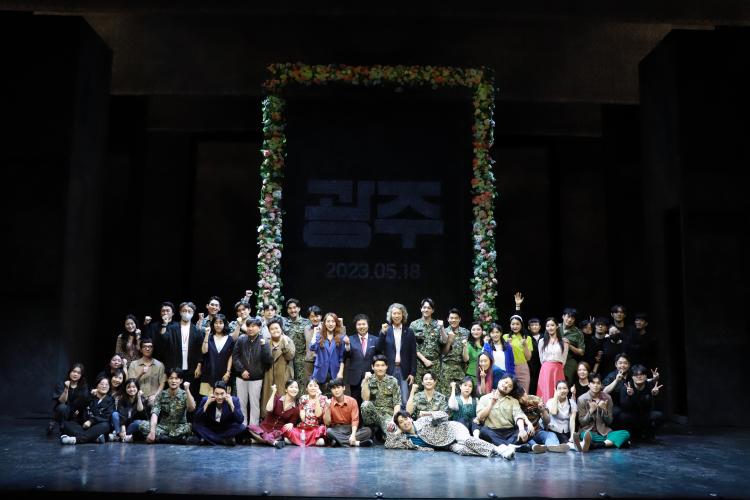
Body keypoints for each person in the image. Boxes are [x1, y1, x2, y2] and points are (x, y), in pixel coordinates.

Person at [386, 410, 505, 458]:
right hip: (447, 445)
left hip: (452, 429)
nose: (405, 423)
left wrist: (428, 413)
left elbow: (444, 415)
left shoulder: (422, 421)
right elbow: (388, 444)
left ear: (411, 418)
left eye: (406, 419)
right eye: (401, 422)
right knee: (462, 450)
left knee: (467, 440)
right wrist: (398, 431)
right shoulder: (407, 440)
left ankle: (499, 449)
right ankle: (493, 452)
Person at [139, 368, 197, 444]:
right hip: (163, 427)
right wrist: (152, 432)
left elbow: (192, 408)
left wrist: (187, 390)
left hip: (179, 427)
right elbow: (155, 413)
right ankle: (172, 439)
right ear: (167, 379)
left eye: (176, 378)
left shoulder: (185, 394)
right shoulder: (161, 395)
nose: (173, 381)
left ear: (181, 381)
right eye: (171, 378)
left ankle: (162, 438)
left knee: (188, 427)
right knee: (143, 425)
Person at [232, 317, 272, 426]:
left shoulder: (264, 341)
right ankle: (242, 425)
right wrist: (242, 370)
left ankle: (253, 427)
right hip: (241, 377)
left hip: (256, 378)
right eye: (248, 326)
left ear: (259, 328)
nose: (250, 328)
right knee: (241, 403)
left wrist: (264, 346)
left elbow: (268, 361)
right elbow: (235, 357)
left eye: (253, 326)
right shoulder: (241, 339)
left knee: (255, 404)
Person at [576, 373, 631, 451]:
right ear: (589, 384)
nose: (595, 385)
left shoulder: (607, 398)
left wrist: (604, 410)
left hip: (605, 433)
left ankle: (595, 445)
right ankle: (615, 443)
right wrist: (591, 411)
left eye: (598, 383)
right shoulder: (581, 399)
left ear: (601, 385)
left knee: (625, 433)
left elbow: (609, 422)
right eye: (593, 383)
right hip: (589, 431)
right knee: (585, 435)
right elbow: (582, 422)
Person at [376, 303, 417, 408]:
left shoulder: (409, 332)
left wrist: (412, 373)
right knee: (389, 398)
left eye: (399, 313)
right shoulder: (386, 330)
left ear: (403, 315)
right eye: (394, 313)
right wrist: (382, 333)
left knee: (404, 399)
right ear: (391, 315)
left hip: (404, 370)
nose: (396, 316)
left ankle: (404, 418)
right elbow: (378, 349)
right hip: (390, 368)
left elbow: (413, 353)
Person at [161, 302, 203, 401]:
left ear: (193, 313)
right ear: (180, 312)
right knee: (174, 396)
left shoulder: (196, 329)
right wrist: (165, 325)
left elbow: (200, 350)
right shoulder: (172, 328)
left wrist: (199, 366)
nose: (186, 313)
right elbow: (163, 340)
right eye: (184, 311)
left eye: (189, 311)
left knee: (190, 395)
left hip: (192, 368)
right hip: (175, 367)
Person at [475, 375, 525, 457]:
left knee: (527, 430)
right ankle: (512, 446)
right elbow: (480, 417)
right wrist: (491, 403)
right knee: (483, 431)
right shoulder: (485, 398)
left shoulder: (513, 401)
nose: (506, 386)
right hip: (492, 431)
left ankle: (504, 446)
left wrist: (522, 430)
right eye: (505, 382)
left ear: (511, 390)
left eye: (510, 386)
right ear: (499, 381)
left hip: (509, 432)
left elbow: (518, 415)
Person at [60, 376, 115, 445]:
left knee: (106, 425)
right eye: (101, 384)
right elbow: (77, 405)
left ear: (109, 387)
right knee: (67, 424)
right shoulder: (91, 397)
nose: (104, 386)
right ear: (97, 386)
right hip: (85, 426)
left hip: (98, 426)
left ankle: (76, 440)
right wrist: (90, 395)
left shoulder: (110, 400)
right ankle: (94, 438)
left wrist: (91, 421)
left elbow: (106, 417)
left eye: (107, 385)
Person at [617, 364, 664, 442]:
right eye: (636, 375)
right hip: (631, 415)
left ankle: (649, 434)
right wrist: (630, 396)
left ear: (646, 376)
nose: (639, 376)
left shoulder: (651, 386)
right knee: (622, 416)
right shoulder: (627, 387)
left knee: (659, 415)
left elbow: (656, 406)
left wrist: (655, 395)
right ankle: (630, 435)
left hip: (645, 415)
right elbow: (624, 407)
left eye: (642, 374)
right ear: (632, 377)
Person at [247, 380, 299, 449]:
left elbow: (292, 422)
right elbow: (268, 409)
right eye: (291, 387)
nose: (294, 389)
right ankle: (273, 442)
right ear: (286, 389)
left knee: (277, 436)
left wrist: (291, 424)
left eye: (296, 387)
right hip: (264, 427)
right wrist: (273, 392)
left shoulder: (296, 408)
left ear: (298, 390)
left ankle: (258, 441)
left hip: (277, 432)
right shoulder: (277, 398)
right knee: (250, 428)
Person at [516, 386, 568, 453]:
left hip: (538, 431)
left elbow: (547, 421)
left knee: (551, 435)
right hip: (525, 433)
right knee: (523, 438)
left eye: (523, 395)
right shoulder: (515, 404)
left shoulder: (535, 400)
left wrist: (543, 410)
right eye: (520, 397)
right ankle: (535, 446)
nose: (523, 399)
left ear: (525, 392)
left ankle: (552, 446)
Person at [261, 319, 295, 417]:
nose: (275, 330)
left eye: (277, 328)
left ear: (281, 328)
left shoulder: (288, 340)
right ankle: (267, 418)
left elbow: (290, 356)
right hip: (269, 374)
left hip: (283, 373)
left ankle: (282, 418)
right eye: (272, 329)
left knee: (282, 396)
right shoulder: (266, 342)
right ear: (269, 331)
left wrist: (285, 345)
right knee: (268, 396)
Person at [409, 298, 448, 387]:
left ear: (432, 310)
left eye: (429, 308)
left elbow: (445, 341)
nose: (426, 310)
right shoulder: (414, 325)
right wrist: (424, 360)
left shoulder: (437, 324)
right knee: (418, 389)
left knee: (434, 389)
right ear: (421, 309)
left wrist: (442, 328)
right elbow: (411, 346)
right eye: (424, 307)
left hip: (435, 364)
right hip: (419, 363)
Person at [193, 381, 246, 445]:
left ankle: (210, 439)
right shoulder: (205, 400)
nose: (219, 397)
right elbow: (197, 419)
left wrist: (231, 404)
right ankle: (222, 440)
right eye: (216, 394)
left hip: (226, 429)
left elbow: (240, 420)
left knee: (242, 427)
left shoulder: (234, 400)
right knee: (195, 426)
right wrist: (206, 404)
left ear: (226, 393)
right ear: (213, 393)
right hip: (211, 428)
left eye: (222, 394)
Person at [324, 378, 373, 447]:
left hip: (350, 428)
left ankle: (340, 442)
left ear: (343, 388)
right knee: (329, 431)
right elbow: (327, 423)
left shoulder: (352, 401)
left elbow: (355, 420)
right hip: (337, 429)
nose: (336, 390)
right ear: (331, 390)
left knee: (368, 431)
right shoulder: (328, 402)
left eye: (338, 387)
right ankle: (355, 443)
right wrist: (327, 407)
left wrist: (353, 435)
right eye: (333, 388)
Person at [361, 355, 402, 436]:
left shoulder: (393, 381)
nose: (380, 368)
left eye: (383, 365)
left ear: (386, 366)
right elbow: (365, 399)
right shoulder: (368, 380)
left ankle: (381, 433)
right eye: (377, 365)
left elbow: (397, 404)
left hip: (387, 415)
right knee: (365, 405)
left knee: (392, 435)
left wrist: (393, 420)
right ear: (372, 367)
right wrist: (365, 380)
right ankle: (371, 430)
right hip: (373, 414)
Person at [344, 314, 379, 406]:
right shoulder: (350, 339)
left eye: (364, 324)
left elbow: (379, 357)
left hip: (371, 376)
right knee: (356, 402)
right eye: (359, 324)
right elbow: (346, 356)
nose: (361, 326)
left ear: (368, 325)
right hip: (355, 377)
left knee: (370, 402)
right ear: (356, 326)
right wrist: (347, 345)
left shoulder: (375, 339)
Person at [309, 312, 346, 394]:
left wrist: (340, 372)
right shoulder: (319, 336)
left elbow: (342, 358)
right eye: (328, 321)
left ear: (336, 323)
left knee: (334, 396)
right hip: (320, 371)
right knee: (319, 397)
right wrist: (315, 333)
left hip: (335, 371)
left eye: (333, 321)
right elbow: (312, 347)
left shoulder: (340, 337)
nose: (330, 324)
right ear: (324, 323)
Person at [285, 379, 328, 446]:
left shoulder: (323, 398)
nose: (313, 388)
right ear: (306, 389)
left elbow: (318, 414)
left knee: (321, 432)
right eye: (310, 386)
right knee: (286, 429)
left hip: (316, 428)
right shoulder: (303, 398)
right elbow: (303, 419)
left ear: (318, 388)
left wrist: (317, 398)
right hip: (303, 427)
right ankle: (309, 441)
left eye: (315, 386)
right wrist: (302, 408)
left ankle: (298, 441)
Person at [50, 362, 89, 435]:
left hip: (77, 412)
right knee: (62, 407)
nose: (75, 374)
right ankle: (62, 427)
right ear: (70, 372)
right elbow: (62, 401)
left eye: (78, 373)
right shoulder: (61, 383)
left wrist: (79, 409)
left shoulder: (83, 386)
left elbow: (85, 400)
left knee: (84, 412)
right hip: (64, 411)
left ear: (81, 375)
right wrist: (66, 388)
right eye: (74, 371)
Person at [200, 313, 235, 394]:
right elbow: (204, 351)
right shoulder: (209, 337)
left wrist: (228, 372)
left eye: (220, 323)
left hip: (224, 373)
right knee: (208, 398)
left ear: (224, 324)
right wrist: (207, 335)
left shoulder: (230, 339)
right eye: (216, 323)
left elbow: (231, 356)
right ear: (213, 324)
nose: (218, 325)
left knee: (223, 398)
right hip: (209, 373)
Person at [536, 317, 570, 401]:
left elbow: (564, 359)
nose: (550, 328)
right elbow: (541, 358)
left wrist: (557, 367)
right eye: (547, 326)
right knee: (545, 391)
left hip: (558, 369)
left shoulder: (564, 342)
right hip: (545, 369)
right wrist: (547, 366)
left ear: (557, 326)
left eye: (552, 325)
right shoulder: (542, 341)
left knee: (558, 391)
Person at [438, 308, 469, 397]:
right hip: (446, 368)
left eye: (456, 318)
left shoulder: (466, 332)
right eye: (451, 318)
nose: (453, 320)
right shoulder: (443, 331)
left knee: (460, 396)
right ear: (448, 319)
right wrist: (449, 341)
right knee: (446, 396)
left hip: (461, 368)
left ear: (460, 319)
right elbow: (443, 352)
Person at [127, 337, 166, 405]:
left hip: (153, 398)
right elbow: (131, 383)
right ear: (141, 349)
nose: (147, 349)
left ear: (153, 349)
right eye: (144, 347)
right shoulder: (133, 364)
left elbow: (162, 383)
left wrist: (155, 395)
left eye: (150, 347)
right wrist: (141, 374)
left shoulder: (159, 365)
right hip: (137, 397)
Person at [546, 379, 582, 451]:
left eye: (565, 388)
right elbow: (554, 412)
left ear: (568, 390)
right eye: (559, 388)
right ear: (556, 390)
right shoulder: (550, 401)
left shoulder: (572, 403)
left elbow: (572, 420)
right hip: (553, 430)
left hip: (566, 432)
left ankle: (578, 445)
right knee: (558, 440)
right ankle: (577, 446)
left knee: (568, 441)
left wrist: (572, 435)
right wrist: (555, 395)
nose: (562, 391)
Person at [283, 298, 312, 389]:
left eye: (294, 307)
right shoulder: (284, 323)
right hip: (287, 360)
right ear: (287, 310)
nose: (292, 310)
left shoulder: (307, 323)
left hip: (302, 360)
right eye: (290, 308)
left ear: (299, 308)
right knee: (288, 384)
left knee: (302, 385)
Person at [503, 315, 533, 393]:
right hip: (509, 367)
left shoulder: (527, 338)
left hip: (523, 368)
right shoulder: (505, 337)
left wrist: (525, 345)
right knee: (509, 392)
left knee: (523, 392)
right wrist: (508, 345)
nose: (515, 326)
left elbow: (528, 358)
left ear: (521, 325)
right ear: (510, 325)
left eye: (517, 324)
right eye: (513, 324)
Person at [117, 378, 150, 442]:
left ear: (138, 388)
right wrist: (123, 428)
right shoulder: (122, 400)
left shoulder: (143, 400)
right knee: (115, 415)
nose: (131, 389)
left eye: (134, 387)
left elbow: (141, 412)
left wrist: (139, 397)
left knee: (137, 423)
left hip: (136, 426)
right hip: (124, 427)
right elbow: (121, 415)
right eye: (128, 387)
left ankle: (122, 438)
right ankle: (122, 436)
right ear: (125, 389)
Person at [560, 308, 585, 386]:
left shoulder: (578, 333)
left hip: (569, 363)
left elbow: (581, 352)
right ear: (563, 316)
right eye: (568, 317)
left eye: (572, 318)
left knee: (567, 385)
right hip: (554, 360)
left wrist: (569, 346)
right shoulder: (555, 327)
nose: (570, 320)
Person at [302, 305, 323, 388]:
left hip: (322, 361)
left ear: (321, 316)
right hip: (309, 361)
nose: (315, 319)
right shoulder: (306, 329)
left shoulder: (326, 328)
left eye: (317, 316)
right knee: (309, 385)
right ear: (309, 318)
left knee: (322, 386)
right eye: (312, 316)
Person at [527, 317, 543, 395]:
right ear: (529, 327)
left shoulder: (544, 337)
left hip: (542, 365)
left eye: (536, 325)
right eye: (532, 325)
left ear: (540, 327)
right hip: (531, 366)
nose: (534, 327)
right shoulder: (527, 337)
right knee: (531, 385)